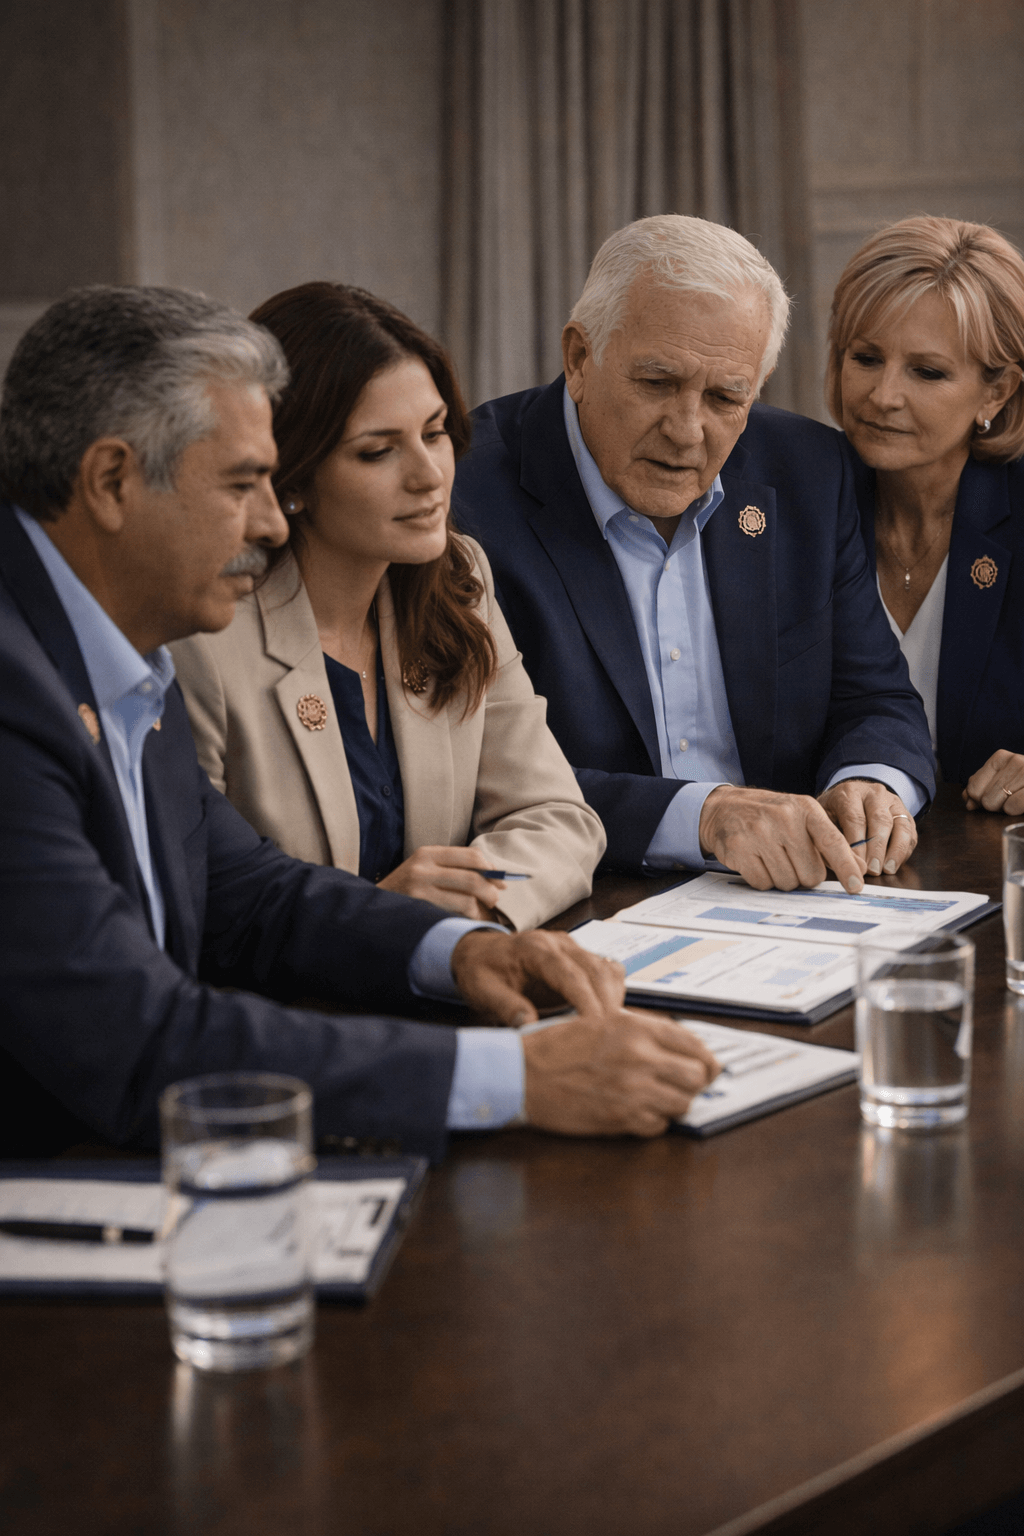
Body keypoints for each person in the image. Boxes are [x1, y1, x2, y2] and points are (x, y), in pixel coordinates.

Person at [0, 285, 720, 1160]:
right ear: (112, 481)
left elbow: (250, 896)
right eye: (242, 485)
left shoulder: (114, 649)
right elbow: (137, 1038)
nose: (270, 521)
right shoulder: (27, 687)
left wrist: (462, 951)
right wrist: (516, 1077)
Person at [453, 214, 935, 893]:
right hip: (579, 897)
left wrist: (870, 783)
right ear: (579, 358)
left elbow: (876, 698)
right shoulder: (462, 498)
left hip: (796, 897)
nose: (687, 431)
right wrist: (701, 817)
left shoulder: (809, 472)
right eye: (657, 383)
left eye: (725, 397)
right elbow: (468, 771)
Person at [170, 283, 604, 931]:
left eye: (435, 433)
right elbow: (198, 898)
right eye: (378, 451)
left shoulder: (458, 578)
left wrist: (463, 919)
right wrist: (379, 921)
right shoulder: (203, 634)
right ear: (290, 473)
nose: (429, 475)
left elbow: (559, 818)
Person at [826, 215, 1024, 813]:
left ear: (997, 392)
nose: (883, 395)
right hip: (836, 851)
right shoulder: (797, 502)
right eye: (866, 358)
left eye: (927, 372)